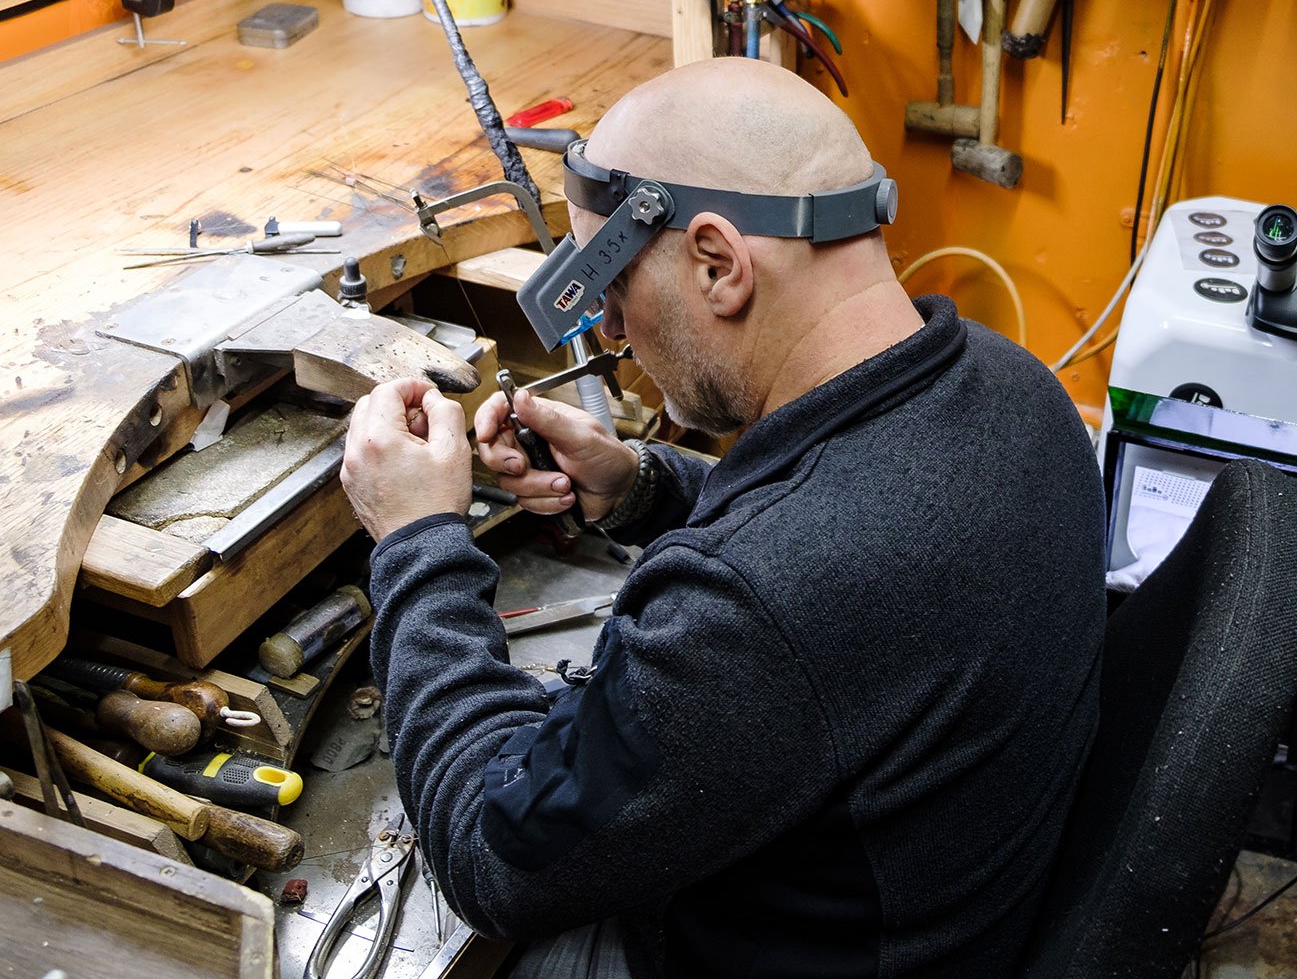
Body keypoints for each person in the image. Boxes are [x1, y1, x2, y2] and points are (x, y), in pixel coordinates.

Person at [340, 58, 1108, 977]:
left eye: (613, 288)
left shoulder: (764, 605)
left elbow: (487, 851)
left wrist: (417, 542)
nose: (614, 333)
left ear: (717, 262)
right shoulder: (1016, 389)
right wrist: (641, 486)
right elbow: (841, 537)